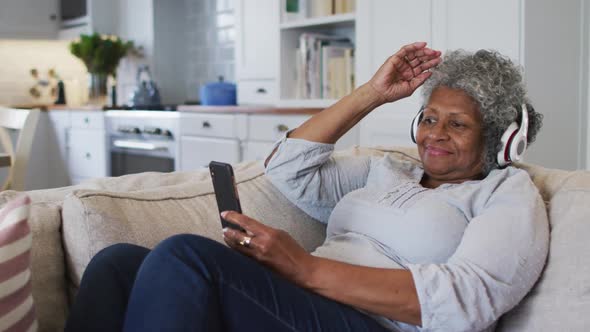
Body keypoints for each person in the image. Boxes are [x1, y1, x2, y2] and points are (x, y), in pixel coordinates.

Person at [65, 42, 548, 332]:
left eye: (457, 124)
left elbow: (467, 300)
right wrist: (371, 95)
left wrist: (303, 268)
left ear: (502, 139)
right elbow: (287, 168)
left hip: (374, 323)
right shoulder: (386, 170)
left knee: (183, 257)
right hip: (304, 301)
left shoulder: (504, 193)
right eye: (428, 118)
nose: (435, 134)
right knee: (116, 264)